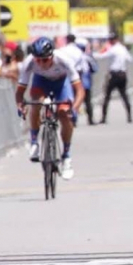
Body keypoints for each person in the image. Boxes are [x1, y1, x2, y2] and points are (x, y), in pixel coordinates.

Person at [14, 37, 85, 179]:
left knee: (64, 113)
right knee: (36, 104)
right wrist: (20, 105)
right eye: (37, 60)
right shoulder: (29, 62)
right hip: (41, 83)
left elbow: (80, 91)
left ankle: (66, 157)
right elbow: (20, 91)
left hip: (61, 84)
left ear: (52, 55)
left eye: (45, 60)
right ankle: (34, 142)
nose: (41, 64)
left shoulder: (63, 59)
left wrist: (75, 109)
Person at [95, 32, 133, 124]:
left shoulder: (113, 49)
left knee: (107, 96)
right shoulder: (123, 48)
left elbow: (101, 56)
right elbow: (130, 59)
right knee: (124, 96)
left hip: (114, 75)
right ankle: (129, 117)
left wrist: (94, 53)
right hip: (122, 74)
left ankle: (103, 118)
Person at [75, 37, 99, 125]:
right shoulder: (88, 57)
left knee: (75, 101)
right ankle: (90, 119)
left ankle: (74, 120)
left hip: (75, 83)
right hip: (86, 82)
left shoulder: (73, 57)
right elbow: (95, 68)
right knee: (88, 102)